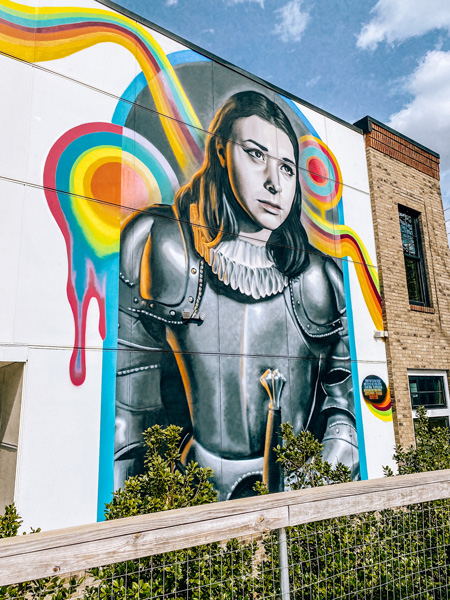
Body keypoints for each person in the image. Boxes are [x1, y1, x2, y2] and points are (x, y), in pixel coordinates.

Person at [115, 90, 358, 500]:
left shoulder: (319, 277)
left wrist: (320, 477)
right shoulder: (164, 248)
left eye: (286, 167)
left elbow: (343, 405)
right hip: (192, 493)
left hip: (297, 500)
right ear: (222, 153)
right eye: (255, 154)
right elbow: (129, 410)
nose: (273, 183)